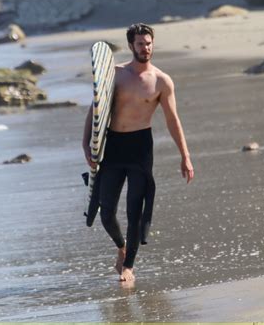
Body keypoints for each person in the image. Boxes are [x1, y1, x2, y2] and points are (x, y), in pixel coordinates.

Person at [82, 23, 194, 282]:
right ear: (131, 45)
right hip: (113, 146)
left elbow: (172, 120)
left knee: (135, 209)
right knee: (106, 211)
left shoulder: (161, 81)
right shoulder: (115, 74)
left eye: (149, 43)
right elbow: (95, 111)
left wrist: (185, 156)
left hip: (140, 147)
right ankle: (121, 247)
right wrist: (87, 143)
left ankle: (129, 266)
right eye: (141, 44)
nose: (146, 48)